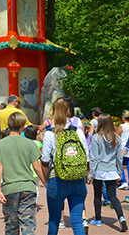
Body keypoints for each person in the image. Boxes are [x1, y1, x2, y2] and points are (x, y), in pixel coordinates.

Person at [0, 112, 47, 235]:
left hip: (9, 189)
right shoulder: (29, 143)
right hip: (28, 188)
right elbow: (37, 167)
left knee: (11, 227)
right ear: (22, 127)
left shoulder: (1, 144)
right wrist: (46, 183)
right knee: (28, 225)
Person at [41, 98, 89, 235]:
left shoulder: (50, 134)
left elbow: (45, 160)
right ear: (68, 112)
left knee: (54, 221)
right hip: (78, 181)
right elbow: (86, 157)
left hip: (57, 180)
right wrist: (83, 175)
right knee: (77, 221)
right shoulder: (78, 132)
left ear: (53, 112)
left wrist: (46, 180)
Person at [87, 113, 127, 232]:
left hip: (99, 170)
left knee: (97, 195)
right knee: (112, 196)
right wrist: (119, 172)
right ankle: (121, 217)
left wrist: (91, 174)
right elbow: (119, 157)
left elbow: (94, 157)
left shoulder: (96, 137)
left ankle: (98, 219)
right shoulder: (116, 138)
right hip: (111, 170)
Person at [116, 110, 129, 190]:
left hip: (123, 146)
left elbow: (117, 135)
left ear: (123, 117)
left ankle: (124, 181)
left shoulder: (122, 126)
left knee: (119, 164)